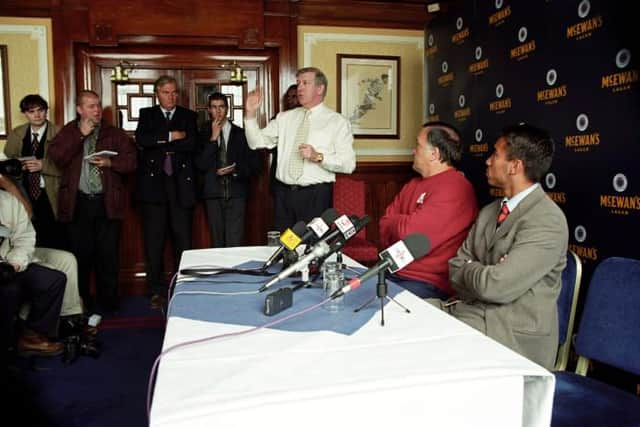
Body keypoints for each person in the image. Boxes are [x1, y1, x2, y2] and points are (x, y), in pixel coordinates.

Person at [436, 123, 568, 370]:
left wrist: (473, 270)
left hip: (512, 338)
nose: (487, 161)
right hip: (471, 315)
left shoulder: (547, 220)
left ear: (514, 166)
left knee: (432, 353)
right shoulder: (489, 212)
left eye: (495, 155)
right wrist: (484, 272)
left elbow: (496, 286)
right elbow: (455, 268)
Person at [48, 90, 137, 314]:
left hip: (107, 203)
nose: (96, 110)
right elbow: (57, 158)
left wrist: (110, 163)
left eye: (98, 105)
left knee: (108, 257)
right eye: (90, 106)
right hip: (78, 205)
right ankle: (82, 304)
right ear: (79, 109)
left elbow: (131, 162)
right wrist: (80, 135)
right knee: (81, 257)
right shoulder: (69, 131)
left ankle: (110, 306)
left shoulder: (113, 133)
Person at [244, 67, 356, 231]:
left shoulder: (337, 122)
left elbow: (348, 164)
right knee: (285, 249)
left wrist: (318, 156)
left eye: (305, 83)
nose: (300, 88)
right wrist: (250, 114)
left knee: (311, 250)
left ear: (320, 88)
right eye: (298, 83)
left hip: (315, 198)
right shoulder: (284, 118)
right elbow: (256, 142)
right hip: (284, 196)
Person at [379, 121, 478, 299]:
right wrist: (404, 222)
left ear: (434, 154)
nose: (413, 151)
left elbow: (411, 236)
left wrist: (399, 222)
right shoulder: (413, 184)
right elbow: (383, 225)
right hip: (393, 273)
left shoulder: (455, 187)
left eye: (418, 145)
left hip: (427, 283)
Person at [135, 76, 198, 308]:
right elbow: (142, 140)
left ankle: (185, 286)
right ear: (157, 94)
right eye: (166, 92)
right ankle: (156, 291)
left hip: (181, 186)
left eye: (174, 93)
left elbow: (191, 144)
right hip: (154, 188)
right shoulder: (146, 114)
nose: (171, 97)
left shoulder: (188, 115)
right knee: (154, 242)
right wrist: (172, 137)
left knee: (183, 241)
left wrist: (160, 143)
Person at [0, 187, 66, 358]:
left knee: (54, 280)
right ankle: (6, 347)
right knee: (9, 291)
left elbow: (25, 238)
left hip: (8, 264)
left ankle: (31, 336)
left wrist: (15, 263)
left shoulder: (9, 201)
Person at [195, 93, 259, 247]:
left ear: (227, 109)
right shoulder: (201, 134)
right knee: (217, 243)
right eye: (214, 107)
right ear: (209, 110)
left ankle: (233, 271)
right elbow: (200, 164)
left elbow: (255, 164)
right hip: (213, 194)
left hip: (236, 193)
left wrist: (235, 170)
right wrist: (213, 139)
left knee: (234, 242)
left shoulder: (241, 133)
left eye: (221, 107)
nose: (218, 111)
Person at [3, 94, 63, 249]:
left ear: (46, 111)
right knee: (27, 238)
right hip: (23, 192)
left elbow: (70, 166)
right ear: (25, 114)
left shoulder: (59, 133)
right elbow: (7, 164)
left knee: (54, 239)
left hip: (51, 194)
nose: (37, 115)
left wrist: (44, 166)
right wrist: (18, 167)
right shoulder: (17, 133)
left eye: (40, 110)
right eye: (31, 111)